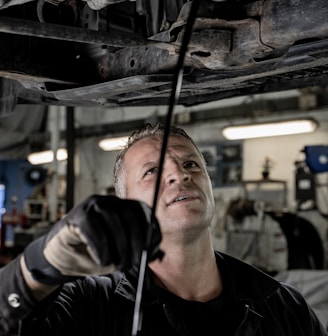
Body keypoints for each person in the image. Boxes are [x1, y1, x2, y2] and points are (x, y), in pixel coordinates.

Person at [0, 122, 327, 336]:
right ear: (125, 200)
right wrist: (38, 266)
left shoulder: (283, 306)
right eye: (152, 170)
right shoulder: (89, 304)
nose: (179, 175)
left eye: (191, 164)